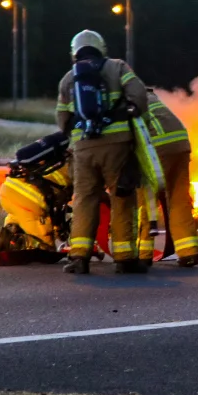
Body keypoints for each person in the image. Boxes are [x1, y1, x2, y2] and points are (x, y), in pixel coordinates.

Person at [57, 29, 150, 275]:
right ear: (101, 48)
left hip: (83, 149)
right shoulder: (117, 67)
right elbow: (139, 95)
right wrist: (131, 113)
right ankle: (125, 258)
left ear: (74, 51)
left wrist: (77, 138)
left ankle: (79, 258)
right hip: (117, 145)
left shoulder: (68, 79)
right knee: (122, 199)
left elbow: (63, 117)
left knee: (84, 201)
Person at [140, 92, 198, 266]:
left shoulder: (117, 99)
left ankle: (142, 255)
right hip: (180, 144)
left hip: (155, 149)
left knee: (143, 203)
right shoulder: (147, 96)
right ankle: (188, 252)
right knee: (178, 199)